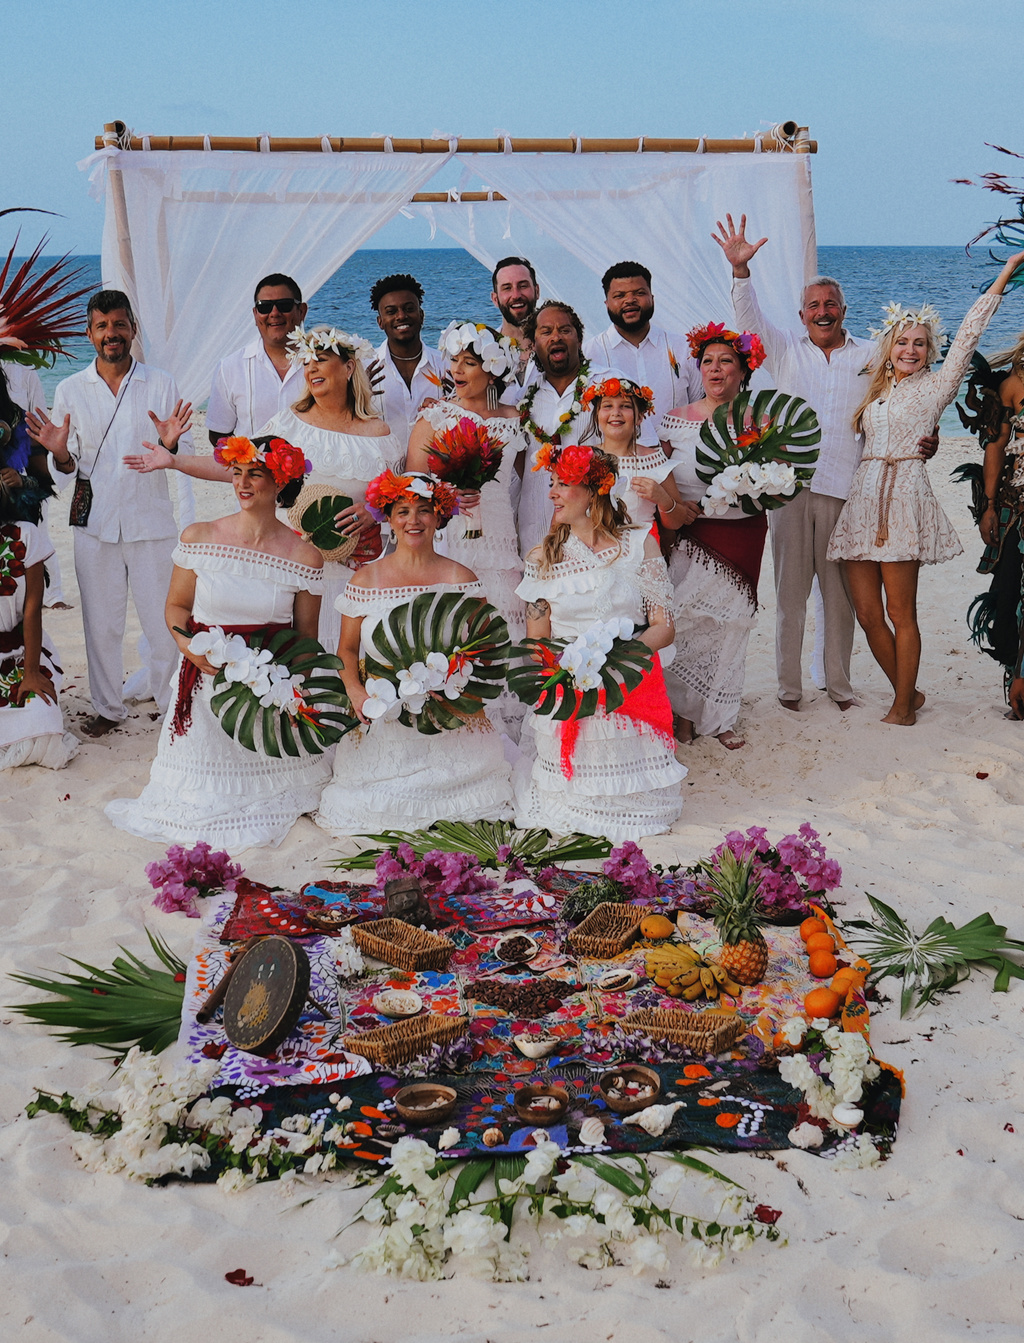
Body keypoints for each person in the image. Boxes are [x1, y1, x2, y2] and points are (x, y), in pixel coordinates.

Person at [827, 249, 1024, 725]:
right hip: (862, 497)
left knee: (901, 611)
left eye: (920, 343)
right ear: (888, 347)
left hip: (905, 496)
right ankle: (908, 692)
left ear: (930, 350)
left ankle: (902, 708)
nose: (910, 350)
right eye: (903, 342)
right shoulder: (872, 389)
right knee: (867, 613)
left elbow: (970, 333)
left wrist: (1007, 272)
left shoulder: (937, 386)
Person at [106, 436, 330, 849]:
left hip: (267, 694)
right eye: (237, 473)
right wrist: (188, 647)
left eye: (256, 475)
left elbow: (305, 640)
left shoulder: (305, 557)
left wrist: (285, 694)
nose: (243, 484)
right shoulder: (200, 536)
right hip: (205, 687)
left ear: (279, 481)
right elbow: (175, 608)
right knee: (194, 805)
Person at [125, 325, 403, 653]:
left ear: (349, 367)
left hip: (354, 575)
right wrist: (173, 460)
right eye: (306, 361)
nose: (311, 367)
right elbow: (236, 465)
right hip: (292, 570)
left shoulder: (379, 433)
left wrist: (373, 512)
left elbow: (399, 500)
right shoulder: (287, 424)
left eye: (321, 359)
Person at [26, 290, 193, 737]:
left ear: (133, 330)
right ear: (89, 333)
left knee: (163, 624)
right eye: (101, 326)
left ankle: (171, 705)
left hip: (151, 523)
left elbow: (183, 453)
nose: (111, 334)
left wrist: (171, 444)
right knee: (100, 625)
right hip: (94, 526)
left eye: (119, 325)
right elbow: (65, 469)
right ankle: (107, 708)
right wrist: (59, 453)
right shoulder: (70, 389)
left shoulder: (160, 383)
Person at [314, 470, 514, 836]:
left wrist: (459, 684)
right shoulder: (365, 580)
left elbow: (484, 650)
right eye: (402, 511)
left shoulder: (461, 579)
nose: (413, 520)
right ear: (387, 519)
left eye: (423, 509)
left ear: (439, 516)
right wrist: (357, 693)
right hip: (385, 715)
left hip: (449, 717)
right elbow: (345, 649)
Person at [514, 444, 684, 842]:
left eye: (564, 484)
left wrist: (622, 664)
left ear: (594, 491)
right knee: (565, 809)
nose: (552, 493)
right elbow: (536, 642)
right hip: (570, 687)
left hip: (630, 683)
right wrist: (569, 674)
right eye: (551, 484)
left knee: (645, 815)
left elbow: (664, 625)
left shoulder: (640, 542)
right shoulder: (543, 557)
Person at [660, 323, 770, 749]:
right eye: (708, 361)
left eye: (726, 361)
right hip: (690, 534)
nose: (716, 368)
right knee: (685, 621)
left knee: (731, 625)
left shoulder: (761, 420)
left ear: (744, 370)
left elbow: (781, 479)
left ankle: (720, 717)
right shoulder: (675, 420)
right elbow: (661, 474)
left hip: (743, 532)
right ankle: (682, 713)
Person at [405, 320, 527, 636]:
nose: (457, 370)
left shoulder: (514, 419)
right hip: (449, 542)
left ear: (492, 371)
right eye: (455, 360)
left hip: (499, 543)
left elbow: (531, 482)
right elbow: (410, 491)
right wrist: (447, 498)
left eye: (469, 363)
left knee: (504, 632)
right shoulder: (435, 416)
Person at [513, 301, 613, 556]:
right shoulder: (522, 396)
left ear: (579, 339)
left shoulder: (608, 385)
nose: (556, 336)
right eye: (546, 332)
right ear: (533, 345)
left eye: (565, 330)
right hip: (535, 529)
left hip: (594, 528)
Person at [583, 261, 702, 448]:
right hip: (614, 468)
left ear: (652, 298)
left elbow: (699, 407)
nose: (629, 301)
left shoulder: (683, 349)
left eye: (639, 293)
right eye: (619, 295)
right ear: (606, 303)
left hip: (681, 464)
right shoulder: (589, 355)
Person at [965, 331, 1024, 689]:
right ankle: (1016, 677)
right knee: (1010, 594)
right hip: (1017, 505)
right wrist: (987, 506)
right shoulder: (1014, 384)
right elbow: (996, 446)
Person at [0, 510, 79, 770]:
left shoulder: (24, 534)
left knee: (43, 725)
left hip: (22, 653)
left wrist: (31, 672)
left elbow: (33, 610)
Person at [205, 273, 308, 444]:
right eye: (264, 307)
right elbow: (218, 435)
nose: (274, 313)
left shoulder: (325, 362)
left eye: (284, 305)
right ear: (255, 314)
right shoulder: (230, 368)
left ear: (301, 311)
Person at [577, 374, 685, 534]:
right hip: (593, 551)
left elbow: (677, 522)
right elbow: (564, 515)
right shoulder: (582, 459)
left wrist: (663, 499)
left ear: (640, 417)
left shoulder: (654, 460)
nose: (616, 413)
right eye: (607, 406)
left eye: (625, 406)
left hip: (641, 552)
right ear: (597, 414)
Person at [1, 361, 71, 607]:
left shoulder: (24, 376)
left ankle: (52, 595)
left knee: (36, 530)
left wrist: (23, 479)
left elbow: (44, 481)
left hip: (19, 474)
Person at [366, 274, 446, 449]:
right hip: (382, 474)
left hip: (437, 474)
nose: (401, 316)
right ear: (380, 322)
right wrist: (358, 395)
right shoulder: (365, 370)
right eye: (391, 311)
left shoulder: (447, 366)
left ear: (421, 315)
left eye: (409, 308)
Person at [491, 256, 540, 386]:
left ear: (537, 291)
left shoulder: (557, 347)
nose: (516, 295)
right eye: (507, 288)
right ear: (495, 298)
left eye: (523, 286)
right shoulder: (485, 350)